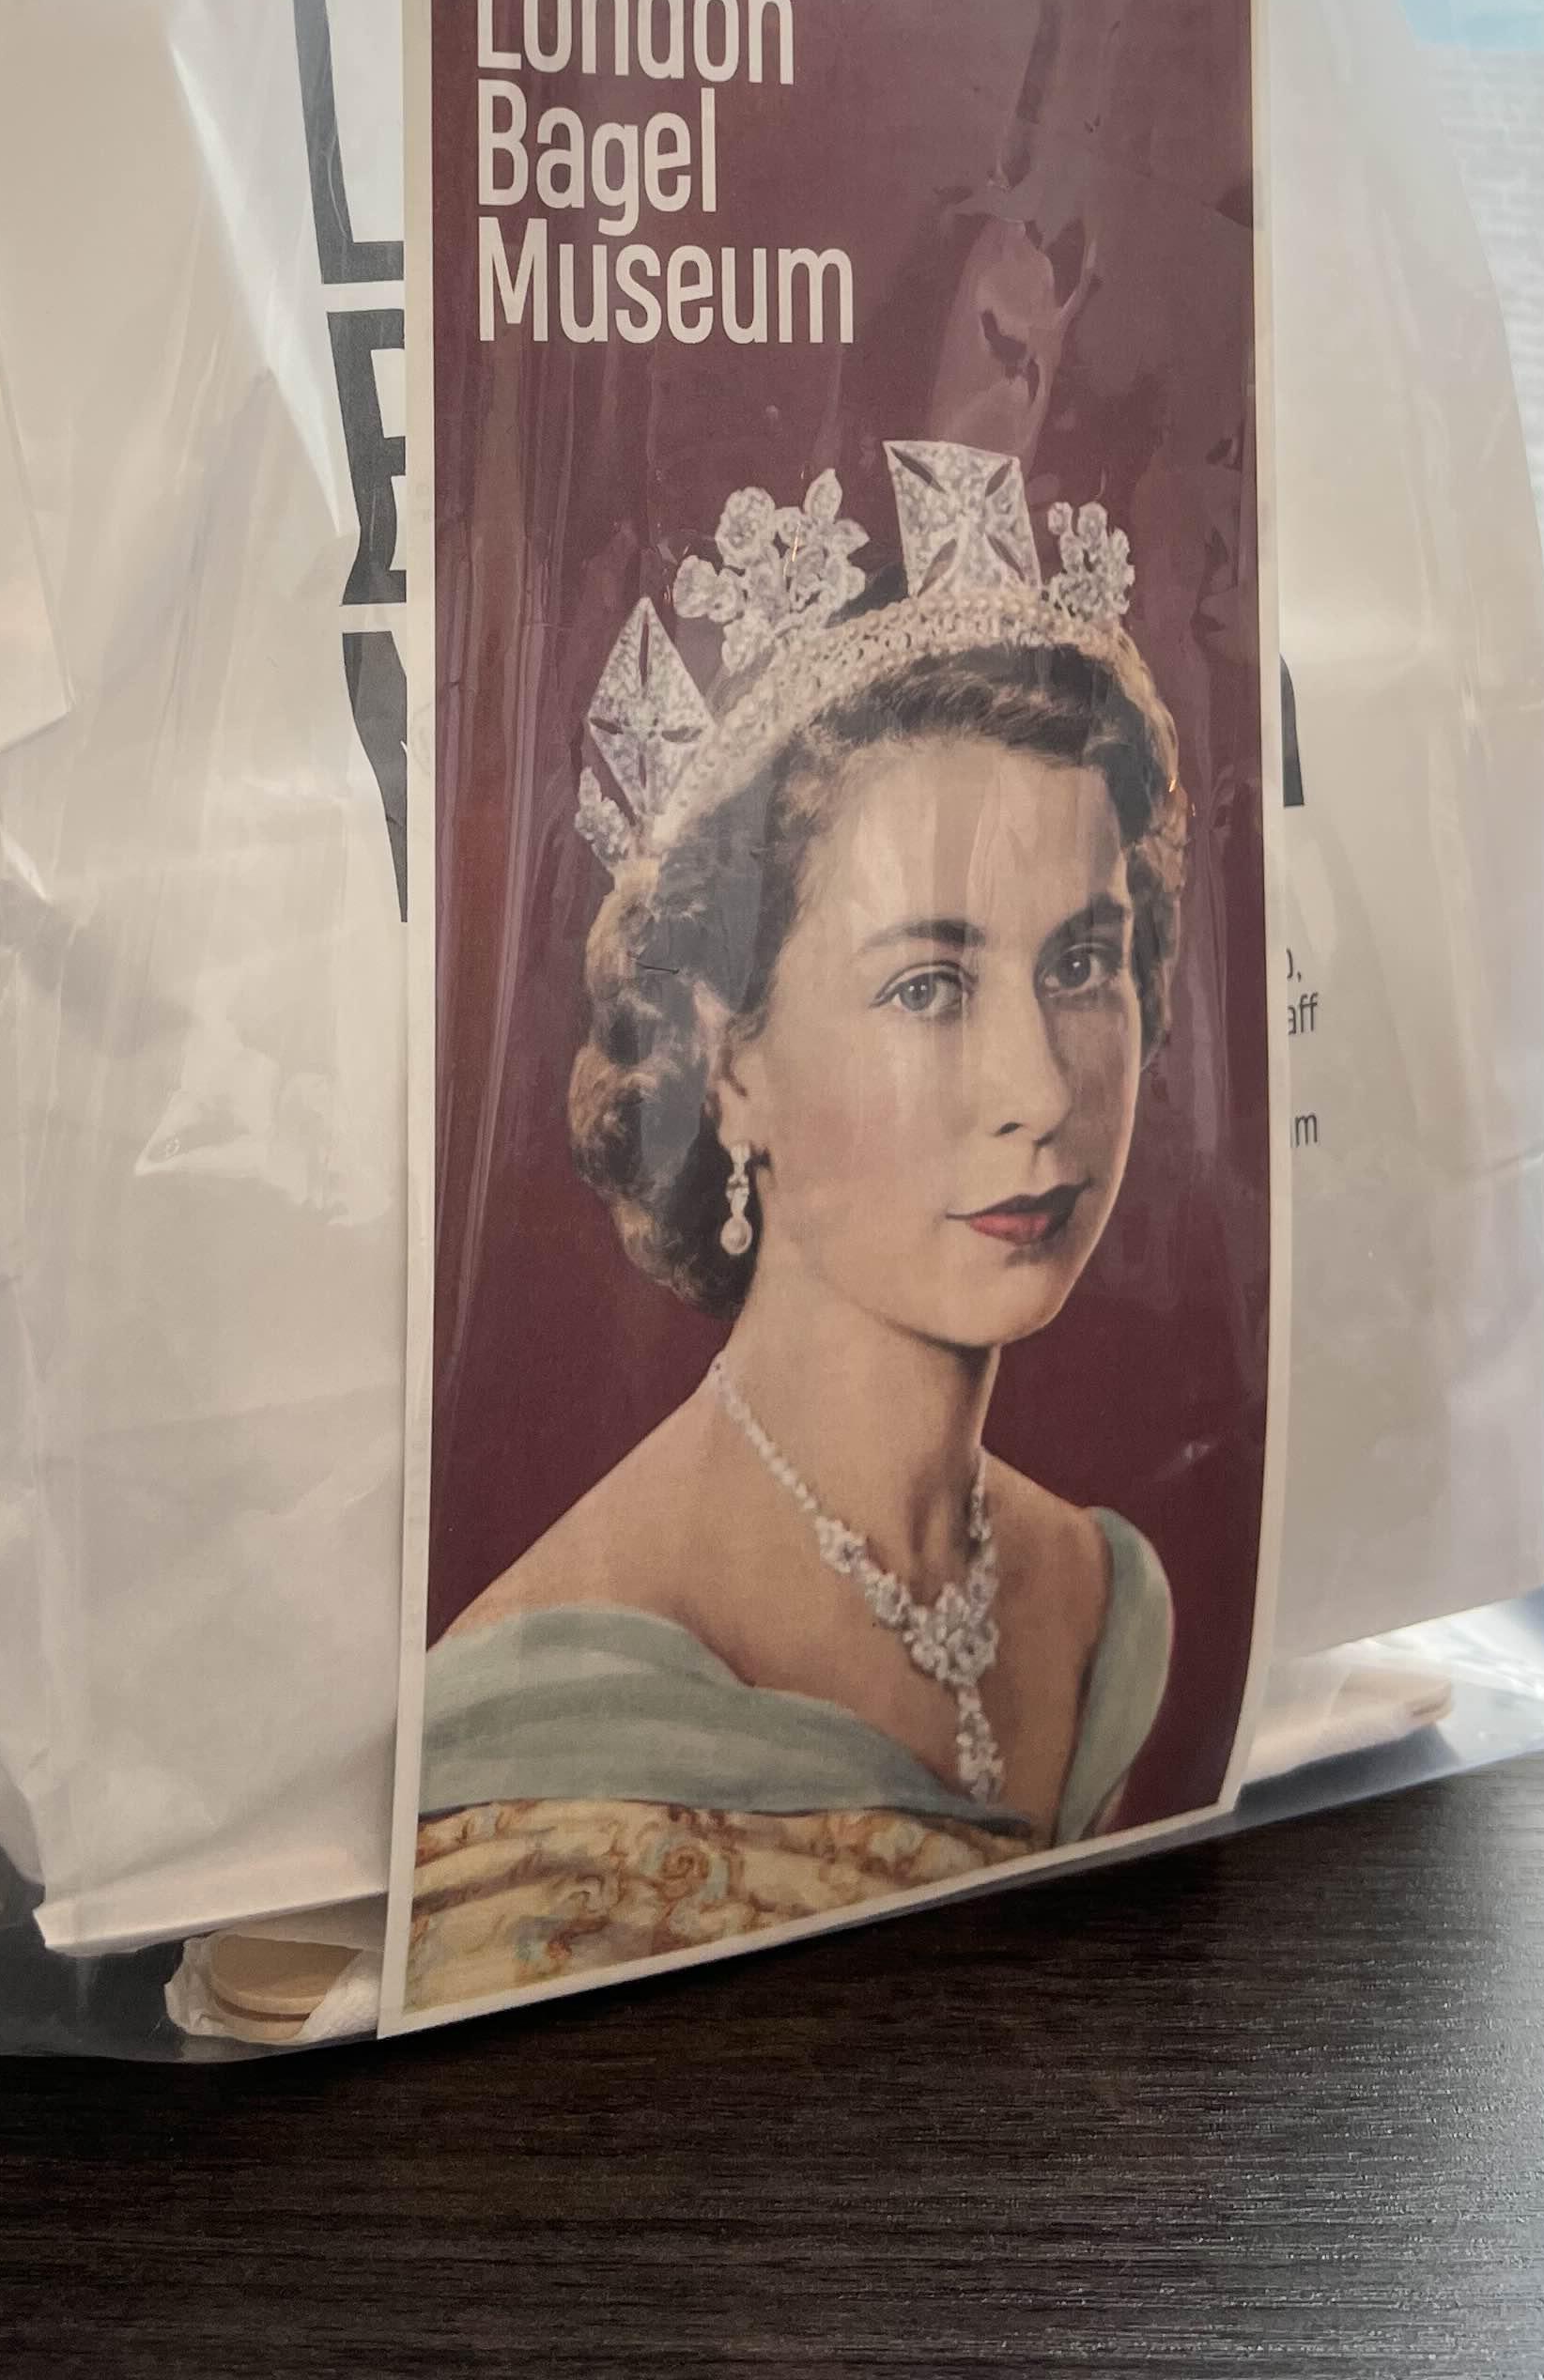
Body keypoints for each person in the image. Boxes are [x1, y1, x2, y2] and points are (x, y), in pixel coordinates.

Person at [410, 445, 1188, 2011]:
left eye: (1081, 963)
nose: (1039, 1090)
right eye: (928, 986)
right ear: (729, 1062)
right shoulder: (545, 1745)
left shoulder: (1100, 1592)